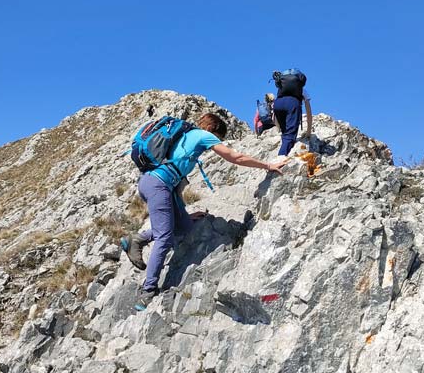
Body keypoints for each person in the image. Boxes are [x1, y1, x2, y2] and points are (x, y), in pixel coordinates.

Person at [121, 112, 288, 310]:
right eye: (220, 138)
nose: (219, 142)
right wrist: (267, 165)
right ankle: (148, 290)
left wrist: (184, 214)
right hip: (157, 185)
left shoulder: (186, 135)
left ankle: (139, 239)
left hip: (157, 184)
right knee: (164, 238)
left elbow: (175, 181)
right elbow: (236, 157)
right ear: (214, 130)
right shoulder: (203, 136)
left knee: (183, 226)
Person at [272, 69, 313, 156]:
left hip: (278, 104)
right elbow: (308, 112)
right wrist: (308, 132)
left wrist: (278, 127)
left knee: (285, 134)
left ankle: (285, 150)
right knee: (290, 136)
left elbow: (274, 114)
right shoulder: (302, 90)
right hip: (292, 104)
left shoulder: (281, 90)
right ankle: (281, 158)